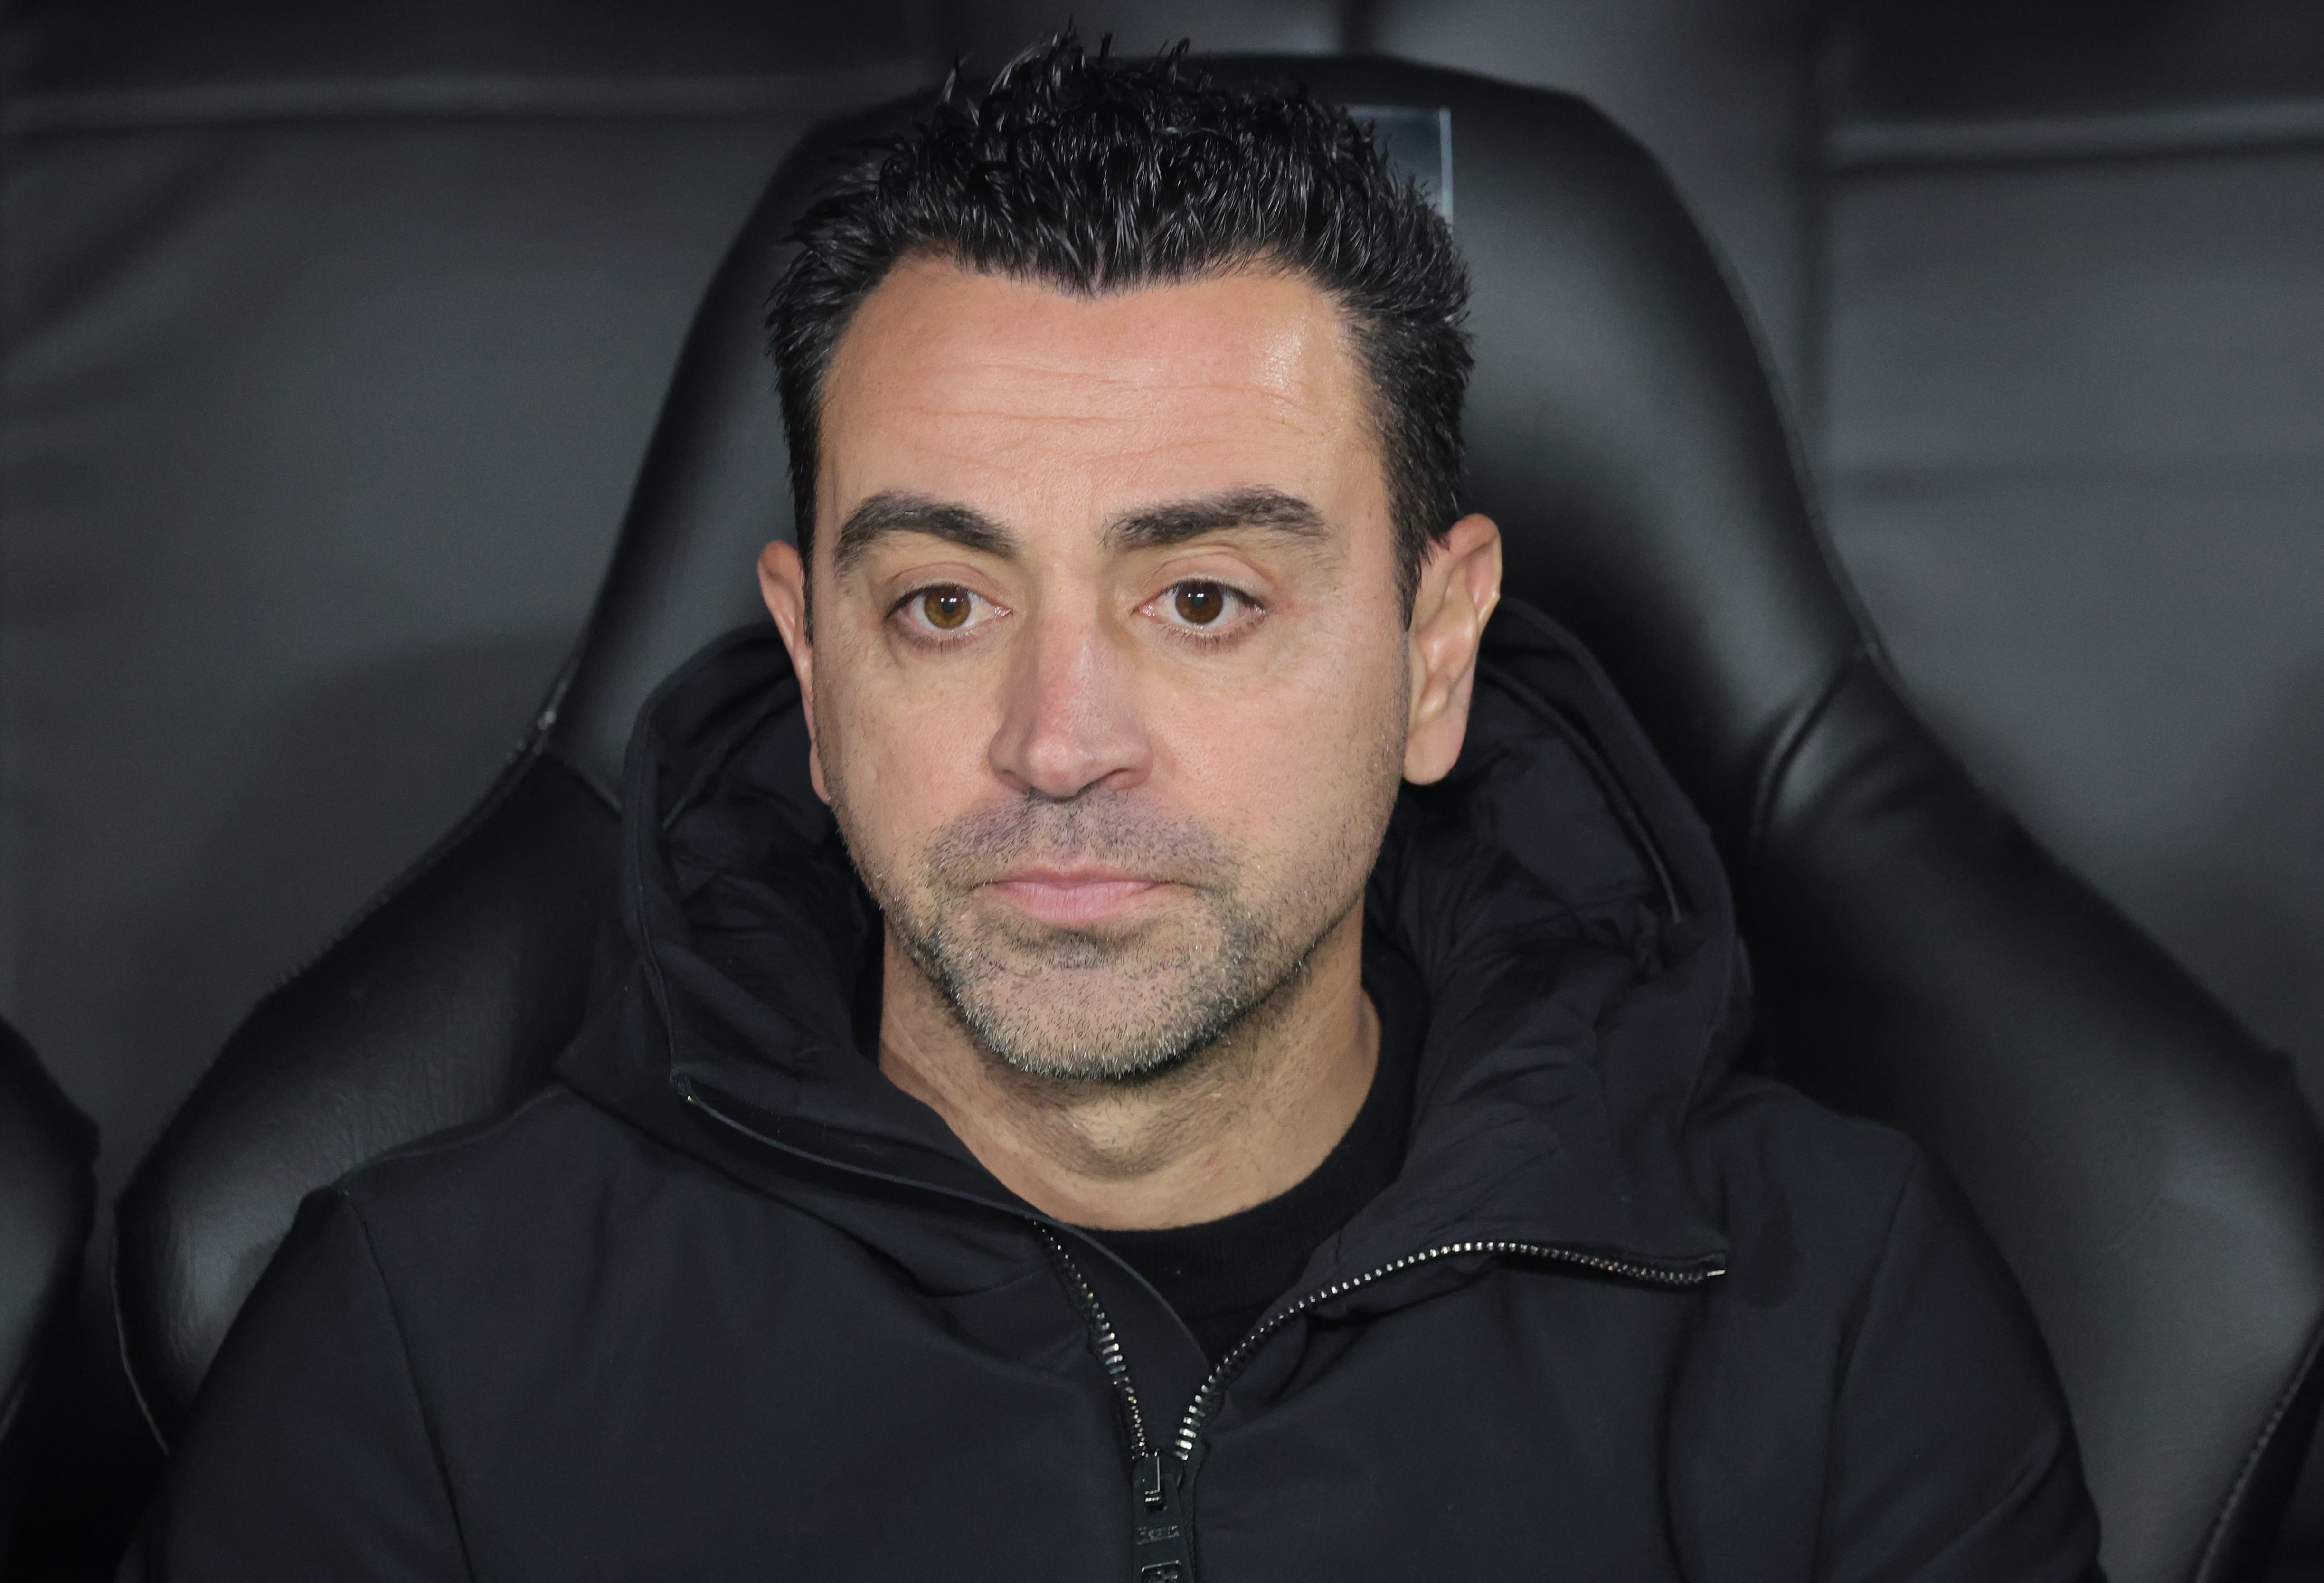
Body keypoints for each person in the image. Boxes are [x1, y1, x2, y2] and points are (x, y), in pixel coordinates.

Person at [132, 36, 2100, 1583]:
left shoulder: (1830, 1311)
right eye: (942, 605)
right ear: (812, 676)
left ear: (1434, 653)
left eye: (1202, 600)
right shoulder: (429, 1339)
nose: (1059, 739)